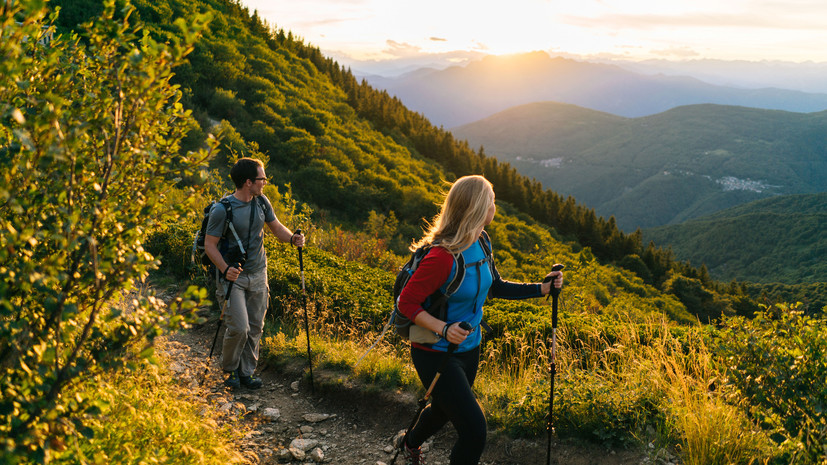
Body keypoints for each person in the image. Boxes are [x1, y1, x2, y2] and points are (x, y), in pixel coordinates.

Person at [396, 175, 563, 465]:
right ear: (477, 208)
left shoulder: (482, 241)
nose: (494, 206)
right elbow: (406, 302)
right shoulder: (442, 257)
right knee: (474, 431)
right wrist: (444, 329)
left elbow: (495, 286)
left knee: (443, 409)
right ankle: (410, 443)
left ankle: (408, 443)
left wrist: (544, 288)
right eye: (491, 201)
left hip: (469, 347)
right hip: (434, 353)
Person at [204, 157, 305, 389]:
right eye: (262, 179)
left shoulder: (261, 202)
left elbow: (276, 227)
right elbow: (210, 245)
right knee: (240, 327)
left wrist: (292, 239)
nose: (265, 182)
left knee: (256, 326)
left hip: (259, 272)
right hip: (233, 277)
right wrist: (225, 269)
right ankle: (229, 371)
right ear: (248, 182)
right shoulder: (222, 210)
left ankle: (247, 372)